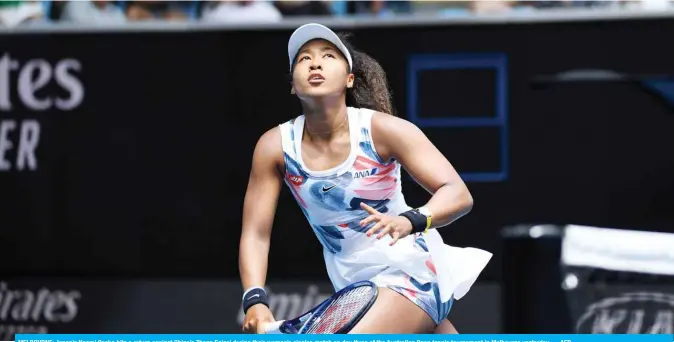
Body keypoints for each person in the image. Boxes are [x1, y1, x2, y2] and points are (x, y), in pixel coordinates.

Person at [239, 23, 492, 334]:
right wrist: (254, 299)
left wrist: (411, 220)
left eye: (328, 56)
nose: (315, 63)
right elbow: (256, 233)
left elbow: (457, 193)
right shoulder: (274, 147)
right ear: (293, 84)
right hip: (354, 286)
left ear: (349, 79)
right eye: (303, 59)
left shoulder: (383, 130)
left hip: (412, 269)